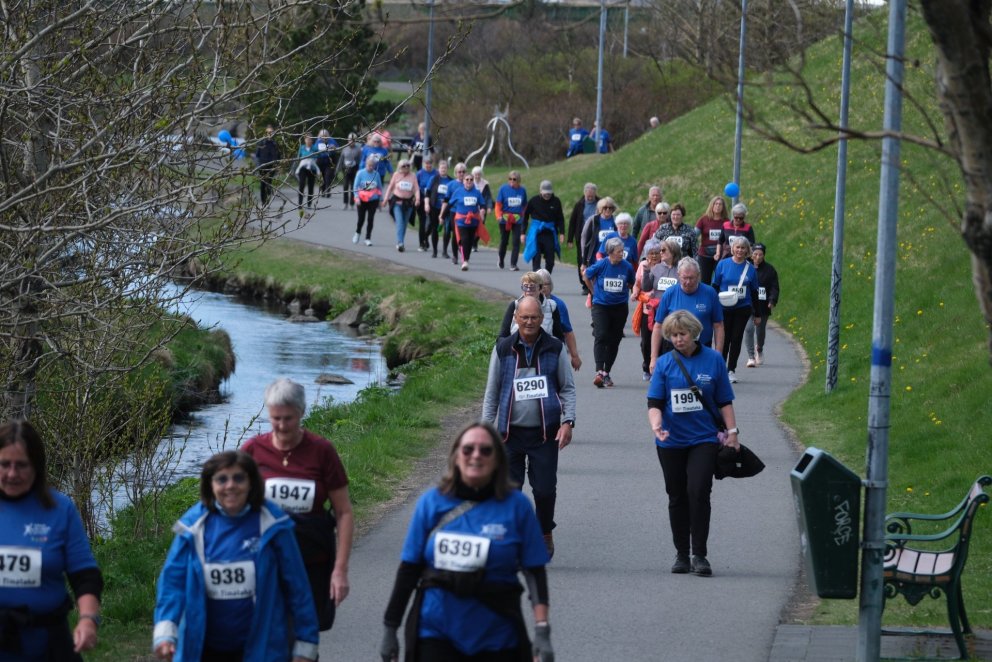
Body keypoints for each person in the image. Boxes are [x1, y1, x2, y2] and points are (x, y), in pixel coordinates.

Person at [379, 422, 554, 662]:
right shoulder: (431, 503)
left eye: (486, 450)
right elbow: (409, 569)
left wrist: (542, 630)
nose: (476, 455)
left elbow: (535, 572)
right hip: (436, 632)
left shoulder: (517, 507)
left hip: (497, 635)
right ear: (456, 456)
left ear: (498, 459)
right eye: (468, 449)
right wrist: (390, 628)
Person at [153, 451, 319, 661]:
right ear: (210, 485)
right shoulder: (192, 527)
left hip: (263, 648)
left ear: (251, 483)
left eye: (238, 478)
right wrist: (165, 635)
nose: (230, 485)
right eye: (222, 479)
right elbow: (172, 583)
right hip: (203, 648)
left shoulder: (274, 524)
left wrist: (305, 645)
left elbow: (297, 587)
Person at [241, 378, 355, 635]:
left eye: (288, 418)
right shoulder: (252, 451)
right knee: (266, 634)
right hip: (266, 560)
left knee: (304, 635)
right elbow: (232, 507)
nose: (282, 426)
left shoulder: (322, 451)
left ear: (302, 413)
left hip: (311, 561)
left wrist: (340, 569)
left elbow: (344, 512)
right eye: (276, 418)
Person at [647, 310, 740, 577]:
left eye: (682, 334)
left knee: (698, 491)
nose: (678, 339)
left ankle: (699, 554)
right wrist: (656, 425)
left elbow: (724, 400)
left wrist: (732, 432)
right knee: (676, 495)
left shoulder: (713, 360)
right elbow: (654, 402)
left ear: (694, 333)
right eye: (673, 335)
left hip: (703, 439)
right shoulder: (665, 364)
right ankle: (681, 554)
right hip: (671, 441)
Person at [0, 420, 102, 660]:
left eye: (21, 465)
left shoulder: (60, 509)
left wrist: (88, 619)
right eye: (4, 464)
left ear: (37, 466)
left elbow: (85, 575)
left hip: (48, 642)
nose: (12, 474)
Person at [482, 296, 576, 558]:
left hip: (544, 433)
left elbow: (567, 388)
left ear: (542, 319)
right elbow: (492, 393)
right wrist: (484, 431)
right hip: (508, 434)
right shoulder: (502, 349)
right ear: (516, 318)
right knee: (509, 490)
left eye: (534, 317)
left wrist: (568, 422)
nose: (529, 322)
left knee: (544, 490)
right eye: (524, 317)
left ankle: (544, 531)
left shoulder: (555, 348)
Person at [650, 257, 724, 374]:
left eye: (691, 278)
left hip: (702, 348)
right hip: (673, 349)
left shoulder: (710, 293)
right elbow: (658, 326)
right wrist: (654, 358)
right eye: (685, 278)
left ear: (698, 276)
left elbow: (718, 325)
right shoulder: (669, 293)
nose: (688, 282)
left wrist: (718, 354)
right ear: (678, 275)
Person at [584, 236, 636, 388]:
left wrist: (625, 292)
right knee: (601, 335)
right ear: (610, 252)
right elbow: (586, 275)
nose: (622, 254)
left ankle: (606, 372)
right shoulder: (602, 264)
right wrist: (593, 291)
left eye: (622, 251)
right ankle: (599, 371)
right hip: (601, 306)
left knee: (615, 339)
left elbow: (631, 282)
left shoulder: (627, 266)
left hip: (620, 307)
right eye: (619, 251)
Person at [711, 236, 761, 383]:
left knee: (736, 338)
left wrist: (757, 314)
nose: (739, 250)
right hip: (724, 307)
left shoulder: (750, 269)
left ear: (747, 250)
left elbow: (754, 292)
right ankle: (721, 369)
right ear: (733, 248)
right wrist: (711, 307)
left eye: (743, 248)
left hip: (742, 308)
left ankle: (731, 370)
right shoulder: (723, 264)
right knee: (724, 339)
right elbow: (715, 286)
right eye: (737, 247)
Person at [631, 238, 680, 381]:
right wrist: (647, 271)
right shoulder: (657, 268)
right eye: (660, 250)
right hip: (655, 311)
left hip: (673, 312)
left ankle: (661, 371)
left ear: (673, 252)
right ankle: (649, 367)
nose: (660, 253)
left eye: (663, 250)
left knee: (667, 343)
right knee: (648, 342)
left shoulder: (680, 269)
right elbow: (646, 286)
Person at [536, 268, 582, 371]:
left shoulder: (558, 304)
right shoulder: (528, 303)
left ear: (551, 286)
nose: (543, 287)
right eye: (540, 284)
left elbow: (568, 332)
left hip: (554, 350)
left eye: (546, 284)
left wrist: (574, 356)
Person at [498, 271, 564, 341]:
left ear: (540, 288)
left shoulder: (551, 306)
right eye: (525, 287)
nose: (528, 290)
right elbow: (502, 336)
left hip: (545, 347)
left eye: (532, 287)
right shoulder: (515, 305)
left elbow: (559, 337)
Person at [744, 243, 780, 368]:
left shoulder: (770, 270)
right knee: (749, 329)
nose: (758, 257)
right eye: (755, 254)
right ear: (751, 254)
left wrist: (772, 300)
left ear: (764, 255)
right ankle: (751, 356)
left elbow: (774, 287)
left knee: (760, 332)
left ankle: (759, 348)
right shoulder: (745, 267)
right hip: (748, 304)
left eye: (760, 255)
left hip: (762, 305)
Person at [440, 170, 484, 271]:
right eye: (467, 179)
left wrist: (482, 210)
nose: (469, 181)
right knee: (464, 239)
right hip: (461, 220)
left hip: (473, 221)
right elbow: (449, 204)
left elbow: (482, 204)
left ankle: (466, 258)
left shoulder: (477, 192)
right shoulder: (458, 192)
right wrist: (442, 216)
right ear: (463, 181)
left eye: (471, 180)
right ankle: (465, 261)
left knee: (470, 241)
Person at [522, 180, 566, 273]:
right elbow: (525, 216)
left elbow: (560, 218)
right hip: (536, 233)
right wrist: (523, 233)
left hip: (549, 232)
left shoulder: (556, 201)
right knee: (536, 257)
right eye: (545, 193)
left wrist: (562, 233)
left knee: (550, 261)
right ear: (540, 191)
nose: (547, 195)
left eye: (549, 193)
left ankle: (546, 277)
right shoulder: (533, 201)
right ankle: (537, 277)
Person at [566, 183, 599, 293]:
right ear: (584, 193)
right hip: (582, 237)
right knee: (582, 259)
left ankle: (595, 282)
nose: (590, 198)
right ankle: (585, 284)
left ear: (595, 194)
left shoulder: (600, 203)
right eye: (588, 196)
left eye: (592, 196)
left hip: (596, 236)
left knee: (594, 258)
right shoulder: (579, 204)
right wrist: (570, 239)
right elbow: (572, 222)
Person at [579, 197, 619, 287]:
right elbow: (586, 241)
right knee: (595, 283)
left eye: (610, 208)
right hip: (595, 259)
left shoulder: (616, 221)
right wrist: (584, 262)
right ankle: (593, 295)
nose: (608, 210)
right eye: (605, 207)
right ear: (600, 209)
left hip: (611, 259)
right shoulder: (593, 220)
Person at [383, 158, 420, 253]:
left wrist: (417, 199)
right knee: (399, 222)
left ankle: (400, 242)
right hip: (397, 202)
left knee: (404, 223)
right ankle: (400, 243)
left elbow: (416, 189)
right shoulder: (396, 175)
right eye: (404, 166)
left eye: (408, 165)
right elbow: (390, 187)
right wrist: (386, 199)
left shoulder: (413, 176)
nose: (406, 167)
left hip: (408, 203)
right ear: (400, 167)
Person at [495, 171, 527, 270]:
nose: (512, 181)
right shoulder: (503, 189)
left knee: (516, 241)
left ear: (519, 181)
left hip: (517, 219)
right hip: (505, 219)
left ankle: (513, 264)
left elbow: (524, 205)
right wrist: (498, 216)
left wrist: (524, 216)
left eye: (514, 179)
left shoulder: (522, 191)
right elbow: (498, 205)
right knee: (504, 241)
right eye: (510, 179)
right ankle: (501, 259)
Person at [695, 195, 729, 284]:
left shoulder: (726, 222)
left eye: (720, 204)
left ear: (723, 207)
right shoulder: (703, 219)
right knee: (704, 281)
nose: (718, 206)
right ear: (712, 205)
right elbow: (694, 235)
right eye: (716, 204)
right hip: (704, 255)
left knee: (720, 280)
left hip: (721, 256)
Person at [425, 160, 455, 259]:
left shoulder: (451, 181)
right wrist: (426, 204)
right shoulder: (433, 179)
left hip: (447, 209)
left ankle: (445, 251)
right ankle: (435, 251)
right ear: (438, 169)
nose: (443, 170)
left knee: (447, 230)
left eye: (445, 168)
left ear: (447, 169)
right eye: (441, 168)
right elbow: (427, 193)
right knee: (435, 229)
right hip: (434, 207)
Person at [440, 162, 468, 261]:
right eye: (459, 172)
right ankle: (455, 255)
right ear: (456, 173)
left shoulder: (468, 184)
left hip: (466, 213)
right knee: (455, 234)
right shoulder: (451, 185)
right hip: (453, 212)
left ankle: (463, 252)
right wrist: (441, 215)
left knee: (464, 235)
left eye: (463, 172)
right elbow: (446, 201)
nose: (461, 174)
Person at [353, 156, 383, 246]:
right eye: (369, 165)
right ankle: (357, 233)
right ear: (366, 164)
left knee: (370, 219)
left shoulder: (376, 174)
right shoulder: (360, 173)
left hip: (373, 200)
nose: (371, 167)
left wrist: (381, 200)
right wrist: (356, 197)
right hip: (361, 200)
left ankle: (368, 238)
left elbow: (379, 187)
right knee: (361, 219)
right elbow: (355, 187)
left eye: (372, 166)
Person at [253, 124, 281, 206]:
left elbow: (278, 156)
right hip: (262, 166)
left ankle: (268, 200)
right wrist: (258, 166)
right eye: (268, 132)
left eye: (271, 132)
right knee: (263, 184)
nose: (270, 134)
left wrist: (277, 165)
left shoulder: (275, 144)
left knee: (269, 183)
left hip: (271, 167)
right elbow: (257, 155)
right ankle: (263, 202)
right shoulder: (261, 142)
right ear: (266, 133)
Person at [415, 157, 437, 252]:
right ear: (423, 164)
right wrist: (416, 198)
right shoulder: (419, 174)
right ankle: (422, 243)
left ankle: (426, 236)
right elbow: (415, 187)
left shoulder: (436, 173)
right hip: (422, 199)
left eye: (430, 163)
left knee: (432, 222)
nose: (428, 165)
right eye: (426, 164)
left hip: (433, 201)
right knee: (422, 222)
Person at [471, 166, 494, 252]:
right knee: (472, 226)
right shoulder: (469, 182)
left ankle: (474, 243)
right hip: (471, 208)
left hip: (482, 209)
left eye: (479, 174)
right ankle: (471, 242)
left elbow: (488, 197)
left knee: (480, 226)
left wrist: (489, 207)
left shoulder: (485, 184)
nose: (477, 176)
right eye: (476, 174)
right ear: (473, 175)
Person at [296, 133, 320, 210]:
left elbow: (318, 157)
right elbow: (298, 157)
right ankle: (300, 203)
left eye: (310, 139)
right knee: (301, 184)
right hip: (303, 168)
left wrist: (313, 160)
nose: (309, 141)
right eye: (307, 139)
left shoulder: (315, 148)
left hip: (312, 168)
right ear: (305, 140)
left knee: (311, 186)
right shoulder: (302, 148)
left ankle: (309, 203)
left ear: (312, 140)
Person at [340, 134, 362, 209]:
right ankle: (345, 203)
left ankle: (352, 203)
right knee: (345, 186)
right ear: (348, 140)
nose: (351, 141)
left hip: (354, 169)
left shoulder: (358, 149)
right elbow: (341, 159)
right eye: (350, 140)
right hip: (346, 169)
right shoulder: (344, 149)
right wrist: (338, 169)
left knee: (353, 186)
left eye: (353, 140)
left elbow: (360, 160)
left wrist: (357, 165)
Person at [315, 130, 339, 199]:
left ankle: (328, 191)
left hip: (329, 161)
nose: (324, 137)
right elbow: (314, 149)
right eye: (322, 136)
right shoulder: (318, 141)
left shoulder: (332, 140)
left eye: (325, 136)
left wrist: (333, 147)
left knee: (328, 176)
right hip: (320, 161)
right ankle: (322, 191)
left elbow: (337, 148)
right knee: (321, 177)